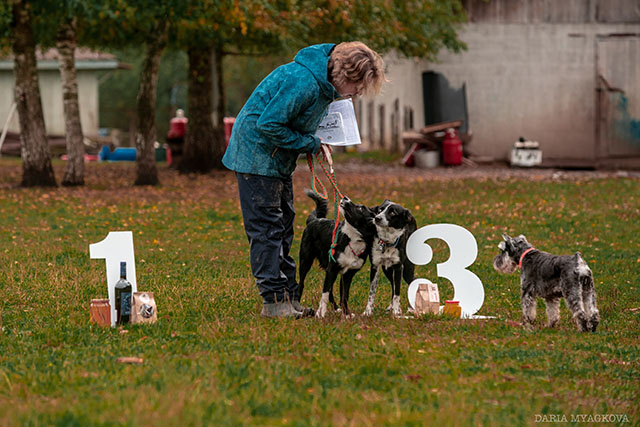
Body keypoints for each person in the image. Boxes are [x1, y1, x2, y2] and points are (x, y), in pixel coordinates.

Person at [222, 42, 386, 318]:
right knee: (268, 230)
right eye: (358, 87)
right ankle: (274, 301)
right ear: (345, 75)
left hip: (275, 161)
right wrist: (308, 142)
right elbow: (268, 124)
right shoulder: (305, 82)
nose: (357, 94)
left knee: (284, 227)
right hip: (256, 159)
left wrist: (314, 141)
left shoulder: (322, 84)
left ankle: (288, 297)